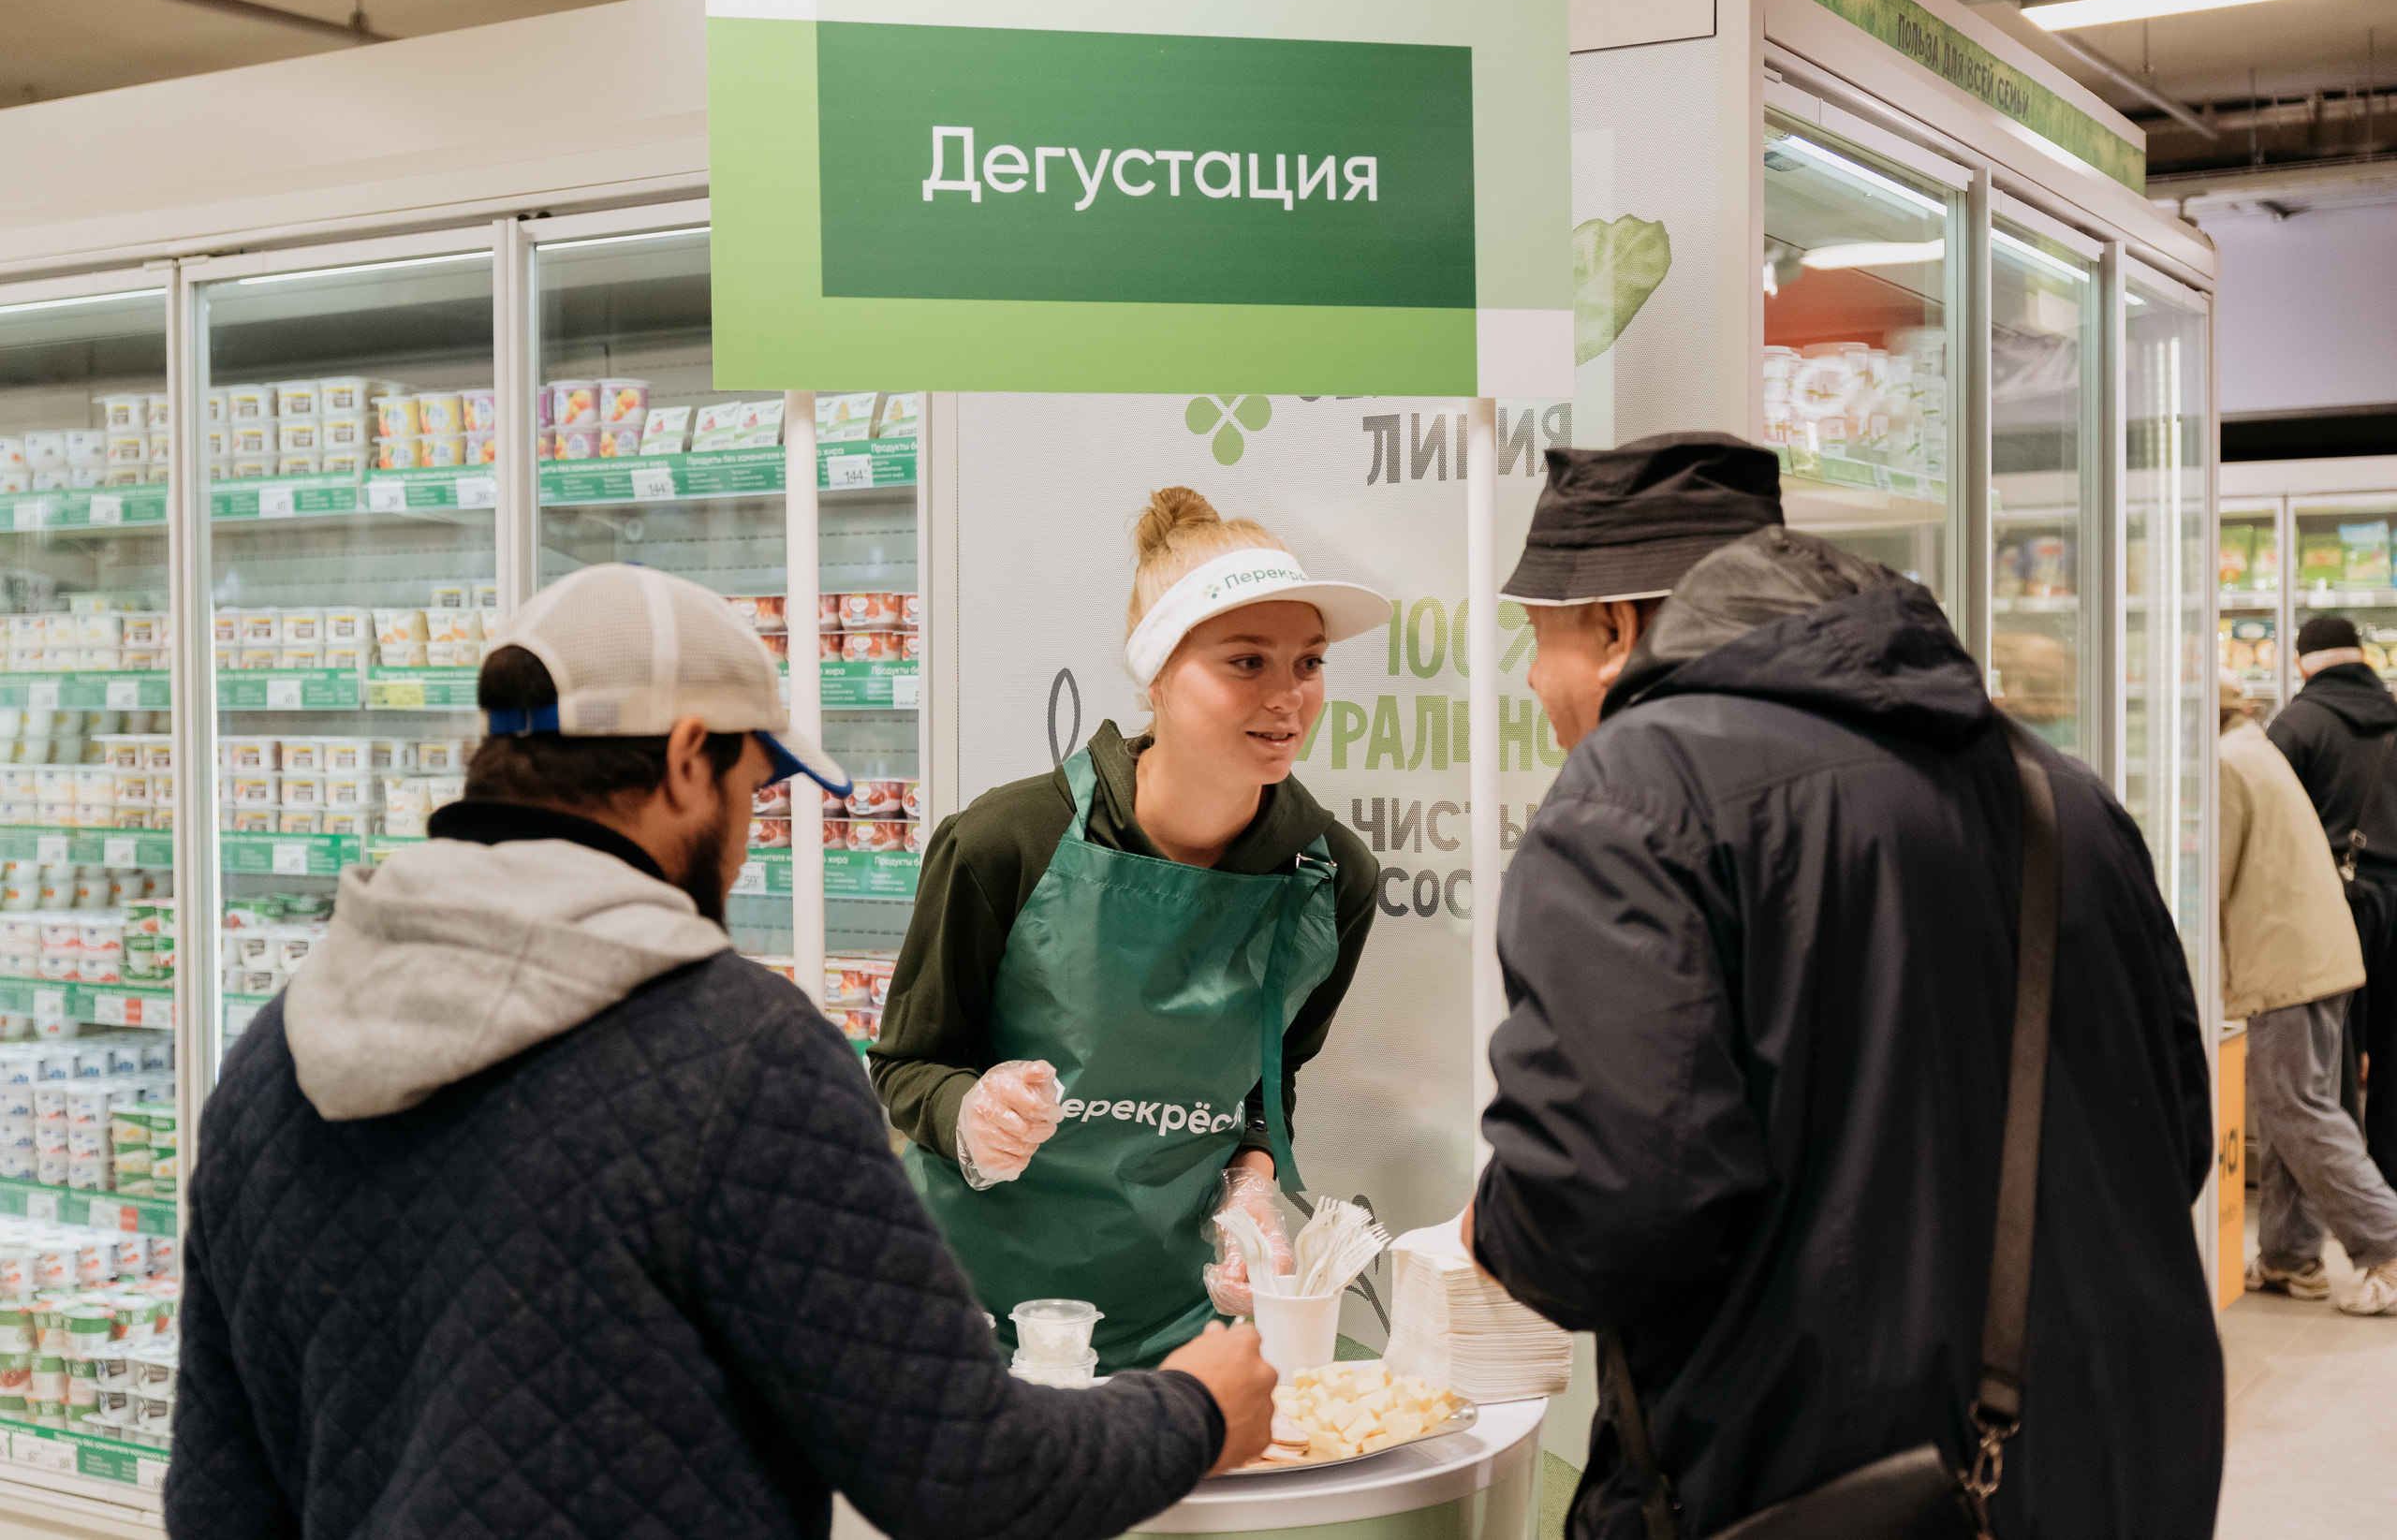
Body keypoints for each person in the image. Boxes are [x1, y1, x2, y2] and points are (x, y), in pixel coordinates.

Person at [169, 565, 1277, 1540]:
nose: (746, 844)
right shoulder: (735, 1053)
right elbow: (967, 1475)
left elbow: (218, 1499)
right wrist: (1192, 1408)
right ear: (690, 757)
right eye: (754, 790)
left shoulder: (280, 1046)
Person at [1464, 434, 2223, 1539]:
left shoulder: (1638, 787)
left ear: (1616, 628)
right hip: (2115, 1463)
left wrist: (1493, 1224)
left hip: (1819, 1487)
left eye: (1535, 641)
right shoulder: (2061, 793)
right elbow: (2173, 1141)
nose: (1534, 681)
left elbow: (1599, 1213)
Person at [872, 489, 1384, 1372]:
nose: (1288, 697)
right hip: (970, 1312)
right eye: (1246, 662)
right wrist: (975, 1114)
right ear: (1155, 674)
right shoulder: (1008, 841)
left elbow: (1268, 1084)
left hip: (1182, 1327)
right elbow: (907, 1065)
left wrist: (1249, 1190)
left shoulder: (1330, 877)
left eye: (1308, 662)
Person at [2221, 671, 2397, 1312]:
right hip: (2315, 951)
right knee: (2289, 1105)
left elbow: (2208, 875)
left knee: (2297, 1106)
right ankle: (2290, 1256)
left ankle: (2387, 1241)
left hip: (2285, 960)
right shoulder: (2256, 748)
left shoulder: (2225, 764)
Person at [2270, 614, 2397, 1185]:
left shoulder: (2297, 725)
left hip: (2328, 908)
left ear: (2303, 661)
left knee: (2329, 1062)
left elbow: (2269, 828)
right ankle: (2389, 1191)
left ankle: (2344, 1198)